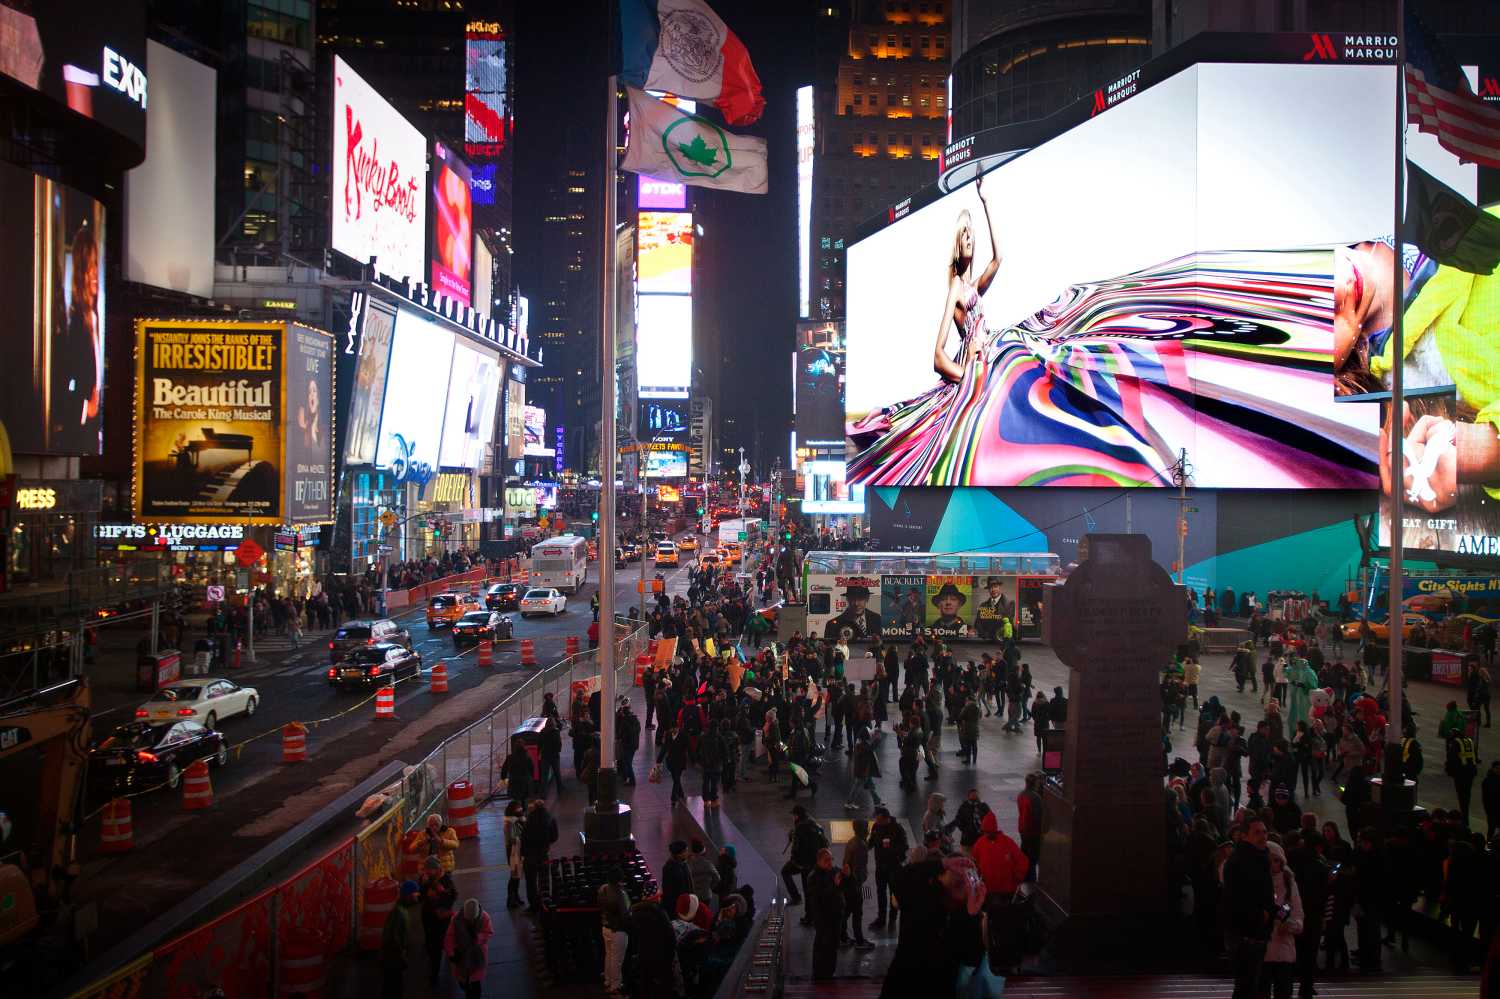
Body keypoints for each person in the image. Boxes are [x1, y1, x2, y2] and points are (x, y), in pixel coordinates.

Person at [1222, 817, 1276, 999]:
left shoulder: (1257, 857)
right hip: (1247, 935)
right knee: (1246, 985)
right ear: (1244, 836)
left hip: (1253, 933)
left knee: (1249, 985)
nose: (1262, 836)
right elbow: (1237, 898)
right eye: (1257, 833)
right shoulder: (1243, 861)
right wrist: (1262, 916)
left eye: (1264, 832)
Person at [1260, 841, 1304, 999]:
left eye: (1276, 860)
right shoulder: (1257, 882)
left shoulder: (1289, 884)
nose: (1273, 864)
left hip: (1283, 949)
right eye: (1269, 859)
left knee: (1284, 992)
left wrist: (1290, 925)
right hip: (1262, 950)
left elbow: (1298, 916)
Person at [419, 856, 458, 987]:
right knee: (432, 945)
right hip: (429, 918)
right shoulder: (426, 880)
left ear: (436, 869)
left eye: (429, 870)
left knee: (438, 945)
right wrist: (424, 887)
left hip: (441, 919)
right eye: (426, 870)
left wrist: (440, 894)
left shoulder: (446, 881)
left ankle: (435, 973)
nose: (426, 872)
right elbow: (421, 895)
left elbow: (452, 897)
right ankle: (435, 970)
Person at [972, 811, 1027, 901]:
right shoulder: (979, 844)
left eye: (989, 831)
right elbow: (975, 863)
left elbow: (1022, 861)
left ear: (994, 829)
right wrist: (978, 881)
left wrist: (1017, 877)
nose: (986, 834)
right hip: (989, 890)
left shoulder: (1008, 842)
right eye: (985, 832)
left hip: (1007, 890)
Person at [807, 848, 846, 979]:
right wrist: (835, 885)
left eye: (831, 860)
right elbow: (820, 896)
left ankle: (829, 972)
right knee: (823, 946)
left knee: (834, 945)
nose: (830, 863)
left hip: (836, 915)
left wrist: (848, 876)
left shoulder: (834, 871)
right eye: (826, 861)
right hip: (823, 918)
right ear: (819, 861)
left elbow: (845, 885)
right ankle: (818, 974)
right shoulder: (814, 877)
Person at [868, 806, 908, 930]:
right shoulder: (876, 827)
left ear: (886, 818)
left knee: (893, 894)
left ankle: (892, 919)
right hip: (880, 866)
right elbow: (872, 842)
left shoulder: (898, 829)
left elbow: (904, 847)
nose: (876, 821)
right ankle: (881, 918)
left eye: (878, 819)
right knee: (880, 893)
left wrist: (890, 849)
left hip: (893, 867)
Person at [443, 898, 492, 999]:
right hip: (462, 954)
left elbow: (488, 932)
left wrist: (479, 937)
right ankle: (466, 987)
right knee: (463, 980)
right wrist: (451, 953)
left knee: (475, 983)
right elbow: (450, 936)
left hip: (477, 955)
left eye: (472, 919)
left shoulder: (485, 918)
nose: (470, 921)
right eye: (468, 919)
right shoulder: (456, 919)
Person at [381, 880, 421, 999]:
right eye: (415, 894)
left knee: (390, 987)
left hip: (391, 959)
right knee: (394, 988)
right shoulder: (399, 914)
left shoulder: (400, 910)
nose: (417, 896)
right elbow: (393, 939)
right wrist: (402, 957)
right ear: (408, 895)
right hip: (393, 960)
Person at [783, 804, 827, 906]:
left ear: (797, 816)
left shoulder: (799, 828)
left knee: (785, 872)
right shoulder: (813, 823)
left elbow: (797, 848)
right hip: (815, 860)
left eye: (793, 815)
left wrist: (794, 860)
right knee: (808, 887)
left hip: (803, 862)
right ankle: (809, 914)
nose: (793, 818)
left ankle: (796, 898)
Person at [598, 867, 632, 998]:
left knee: (609, 956)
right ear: (620, 879)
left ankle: (608, 981)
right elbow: (625, 914)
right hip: (619, 930)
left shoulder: (602, 889)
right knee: (617, 960)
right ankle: (615, 987)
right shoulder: (620, 893)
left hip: (605, 927)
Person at [842, 819, 875, 950]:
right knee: (857, 913)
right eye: (867, 828)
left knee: (847, 911)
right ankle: (859, 941)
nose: (868, 831)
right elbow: (859, 870)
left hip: (848, 883)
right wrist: (859, 883)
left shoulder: (853, 841)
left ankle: (843, 937)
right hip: (854, 885)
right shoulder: (860, 845)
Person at [521, 799, 557, 913]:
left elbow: (524, 838)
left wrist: (523, 853)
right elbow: (554, 836)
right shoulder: (550, 818)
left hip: (530, 856)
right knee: (544, 879)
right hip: (543, 853)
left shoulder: (529, 821)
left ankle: (533, 905)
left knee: (531, 882)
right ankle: (545, 903)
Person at [1445, 730, 1479, 828]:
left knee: (1462, 795)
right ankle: (1465, 816)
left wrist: (1450, 771)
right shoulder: (1469, 741)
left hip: (1460, 773)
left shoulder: (1455, 743)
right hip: (1471, 772)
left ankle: (1464, 819)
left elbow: (1451, 758)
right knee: (1467, 795)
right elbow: (1475, 756)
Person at [662, 839, 694, 918]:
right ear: (679, 854)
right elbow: (668, 890)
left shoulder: (683, 864)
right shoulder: (669, 869)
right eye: (685, 851)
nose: (688, 852)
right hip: (677, 906)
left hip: (686, 901)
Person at [502, 798, 525, 909]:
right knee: (514, 876)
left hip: (517, 850)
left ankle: (516, 896)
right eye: (518, 807)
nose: (521, 809)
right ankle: (511, 899)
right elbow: (512, 838)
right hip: (513, 851)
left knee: (517, 876)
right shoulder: (510, 823)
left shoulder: (516, 820)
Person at [688, 838, 721, 902]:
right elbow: (717, 878)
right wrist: (710, 887)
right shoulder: (708, 864)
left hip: (692, 895)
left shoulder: (688, 863)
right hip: (705, 895)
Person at [1483, 759, 1500, 839]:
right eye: (1497, 768)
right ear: (1493, 768)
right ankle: (1489, 846)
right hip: (1492, 810)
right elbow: (1485, 798)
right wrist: (1488, 810)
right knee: (1491, 829)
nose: (1498, 770)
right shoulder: (1487, 781)